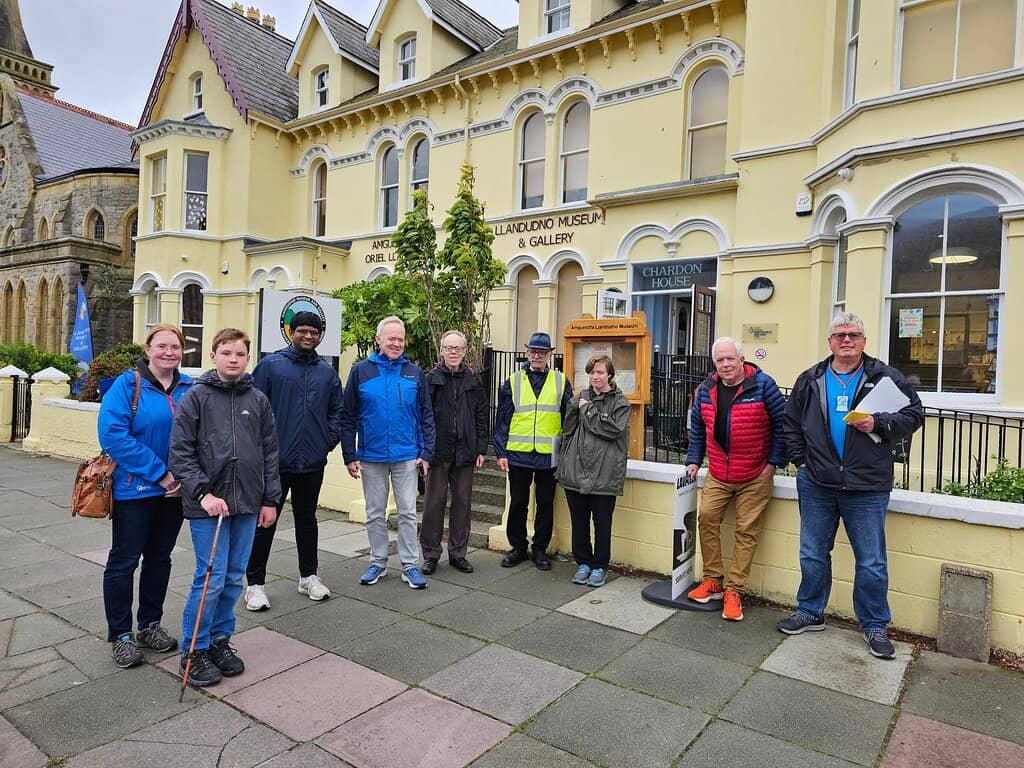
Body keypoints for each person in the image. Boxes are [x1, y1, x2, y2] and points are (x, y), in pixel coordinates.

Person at [779, 312, 923, 659]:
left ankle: (875, 626)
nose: (847, 340)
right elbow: (791, 423)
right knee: (812, 553)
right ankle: (810, 612)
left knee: (871, 561)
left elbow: (915, 414)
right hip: (817, 482)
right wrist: (802, 462)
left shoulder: (884, 376)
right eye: (840, 334)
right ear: (829, 341)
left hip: (867, 486)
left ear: (864, 341)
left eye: (854, 335)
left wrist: (880, 422)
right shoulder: (810, 378)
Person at [169, 328, 281, 686]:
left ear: (248, 358)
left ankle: (219, 640)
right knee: (210, 577)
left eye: (240, 354)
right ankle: (194, 648)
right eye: (227, 353)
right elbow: (181, 453)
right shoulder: (196, 397)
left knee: (234, 577)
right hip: (209, 506)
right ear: (214, 355)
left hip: (248, 502)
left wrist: (270, 499)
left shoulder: (258, 400)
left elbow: (269, 454)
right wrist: (203, 493)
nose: (233, 359)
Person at [98, 324, 194, 669]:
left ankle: (149, 625)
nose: (169, 353)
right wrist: (161, 474)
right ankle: (121, 634)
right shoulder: (127, 385)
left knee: (160, 558)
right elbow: (113, 436)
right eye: (162, 346)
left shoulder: (189, 388)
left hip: (176, 493)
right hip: (135, 490)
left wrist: (187, 478)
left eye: (175, 347)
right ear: (148, 349)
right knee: (124, 561)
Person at [243, 311, 342, 610]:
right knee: (265, 521)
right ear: (290, 331)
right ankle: (255, 584)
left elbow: (338, 412)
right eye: (303, 331)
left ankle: (308, 576)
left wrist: (326, 441)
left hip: (312, 462)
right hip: (274, 463)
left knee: (307, 519)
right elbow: (252, 407)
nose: (308, 336)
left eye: (314, 332)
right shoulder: (272, 366)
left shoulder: (327, 373)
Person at [684, 337, 787, 621]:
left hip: (755, 473)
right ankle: (713, 580)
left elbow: (783, 425)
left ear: (742, 359)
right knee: (706, 517)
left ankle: (734, 590)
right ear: (714, 363)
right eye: (720, 360)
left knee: (746, 531)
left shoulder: (764, 386)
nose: (726, 364)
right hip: (719, 472)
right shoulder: (706, 389)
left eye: (731, 359)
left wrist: (773, 464)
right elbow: (697, 427)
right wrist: (694, 460)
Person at [340, 316, 435, 589]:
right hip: (371, 455)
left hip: (407, 454)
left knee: (407, 512)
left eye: (400, 339)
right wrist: (350, 454)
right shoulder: (361, 371)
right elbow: (348, 416)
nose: (396, 343)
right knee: (374, 513)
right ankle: (378, 562)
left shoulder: (414, 373)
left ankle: (409, 565)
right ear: (378, 339)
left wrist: (426, 453)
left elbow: (425, 415)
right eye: (391, 338)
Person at [492, 331, 573, 570]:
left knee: (546, 504)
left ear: (549, 355)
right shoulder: (513, 380)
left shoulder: (560, 381)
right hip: (518, 453)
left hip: (549, 455)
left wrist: (565, 451)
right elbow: (502, 419)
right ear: (527, 353)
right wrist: (501, 453)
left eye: (542, 352)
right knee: (518, 503)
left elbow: (568, 418)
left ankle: (540, 549)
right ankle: (517, 547)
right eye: (533, 351)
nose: (537, 355)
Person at [556, 354, 630, 588]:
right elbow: (567, 430)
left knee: (602, 523)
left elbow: (611, 430)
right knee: (579, 522)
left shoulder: (620, 403)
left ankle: (599, 566)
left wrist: (587, 410)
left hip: (604, 473)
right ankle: (583, 563)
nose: (595, 377)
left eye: (600, 372)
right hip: (576, 472)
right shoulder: (580, 399)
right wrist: (573, 407)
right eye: (592, 372)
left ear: (609, 374)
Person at [420, 330, 488, 575]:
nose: (453, 352)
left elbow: (481, 414)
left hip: (466, 451)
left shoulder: (473, 379)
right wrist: (424, 451)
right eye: (449, 348)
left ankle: (458, 553)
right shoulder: (431, 379)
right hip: (438, 451)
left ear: (464, 351)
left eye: (458, 348)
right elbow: (423, 416)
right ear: (441, 351)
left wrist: (481, 447)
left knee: (462, 503)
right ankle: (430, 554)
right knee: (434, 503)